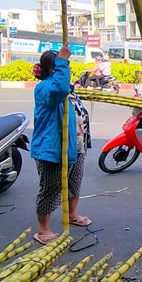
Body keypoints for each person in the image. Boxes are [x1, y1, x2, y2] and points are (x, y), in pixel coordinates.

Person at [30, 46, 93, 245]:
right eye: (63, 66)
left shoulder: (68, 88)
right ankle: (43, 229)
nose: (68, 69)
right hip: (52, 148)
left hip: (76, 145)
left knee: (74, 182)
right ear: (53, 69)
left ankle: (73, 214)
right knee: (51, 187)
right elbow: (58, 90)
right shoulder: (45, 88)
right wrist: (63, 61)